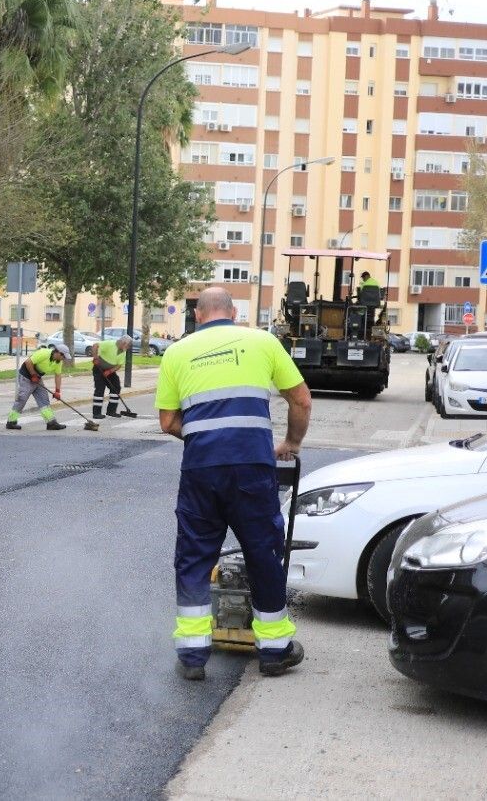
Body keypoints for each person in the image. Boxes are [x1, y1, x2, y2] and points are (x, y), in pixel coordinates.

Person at [157, 287, 312, 682]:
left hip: (201, 469)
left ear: (197, 314)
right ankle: (274, 650)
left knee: (194, 557)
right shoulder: (262, 341)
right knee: (263, 553)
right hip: (252, 466)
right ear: (234, 312)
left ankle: (192, 658)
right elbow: (301, 400)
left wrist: (206, 438)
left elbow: (168, 422)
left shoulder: (176, 352)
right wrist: (291, 444)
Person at [7, 341, 69, 431]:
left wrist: (57, 391)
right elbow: (28, 362)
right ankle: (11, 422)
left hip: (37, 378)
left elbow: (58, 375)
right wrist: (33, 375)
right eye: (63, 356)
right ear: (58, 353)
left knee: (44, 400)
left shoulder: (58, 362)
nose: (64, 359)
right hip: (26, 376)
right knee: (22, 398)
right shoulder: (44, 353)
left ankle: (51, 423)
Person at [90, 335, 137, 419]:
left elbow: (119, 365)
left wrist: (110, 371)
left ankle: (111, 411)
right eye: (128, 345)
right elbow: (95, 345)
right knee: (100, 389)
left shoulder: (123, 351)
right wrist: (95, 357)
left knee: (116, 387)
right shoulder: (110, 344)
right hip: (99, 369)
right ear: (123, 343)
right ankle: (96, 413)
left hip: (110, 371)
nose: (128, 347)